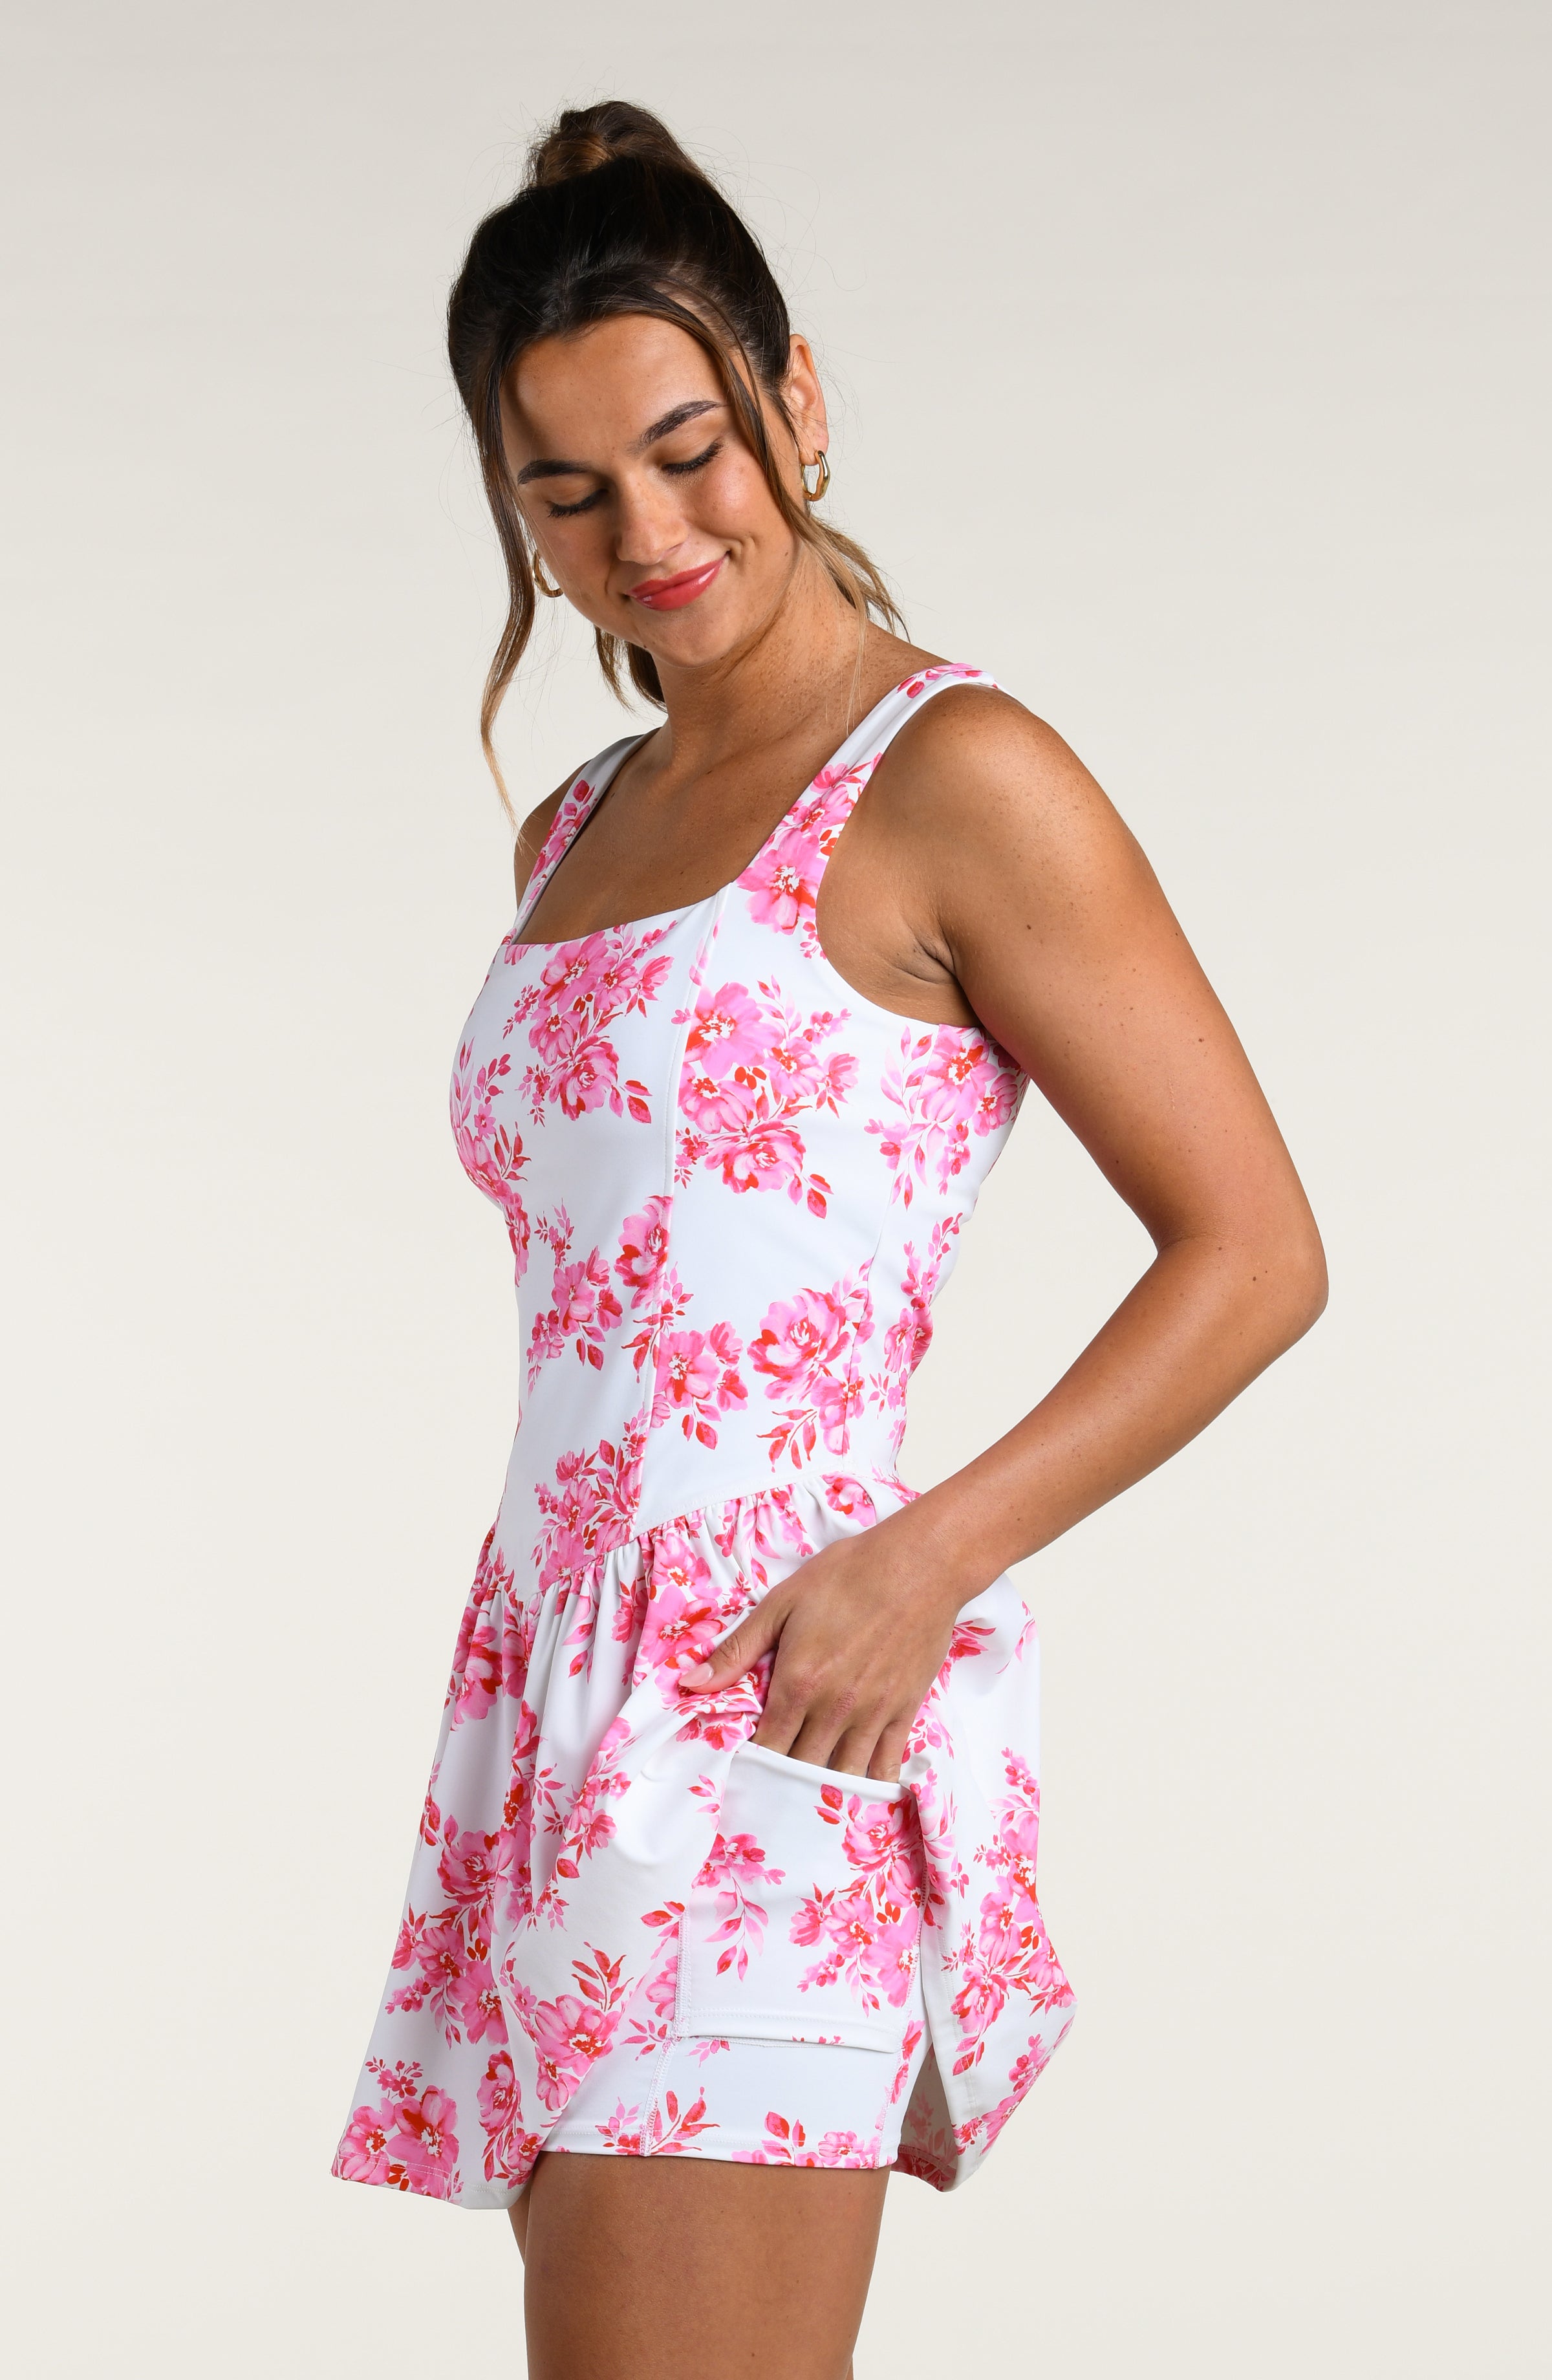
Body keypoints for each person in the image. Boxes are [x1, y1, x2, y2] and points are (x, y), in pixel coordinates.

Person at [333, 100, 1327, 2380]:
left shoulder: (960, 780)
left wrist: (920, 1563)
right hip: (556, 1700)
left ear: (793, 395)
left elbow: (1255, 1248)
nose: (645, 532)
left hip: (762, 1698)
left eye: (689, 449)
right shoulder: (576, 825)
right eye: (564, 491)